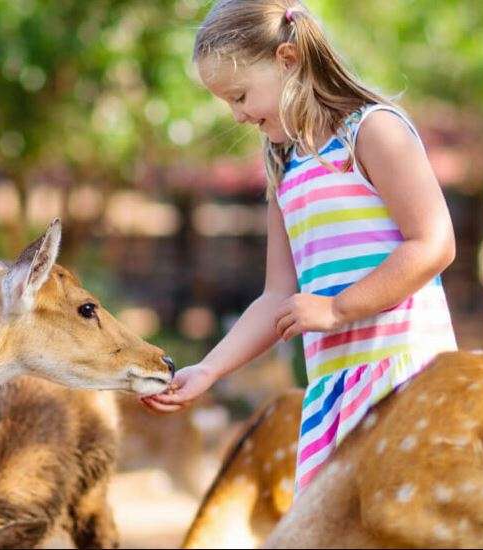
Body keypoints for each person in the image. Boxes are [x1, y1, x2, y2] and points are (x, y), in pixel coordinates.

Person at [142, 0, 458, 494]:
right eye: (227, 102)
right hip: (333, 391)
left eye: (241, 94)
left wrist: (338, 307)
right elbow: (277, 298)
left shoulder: (372, 131)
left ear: (288, 60)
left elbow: (434, 242)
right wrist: (209, 368)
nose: (237, 115)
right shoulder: (285, 170)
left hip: (404, 375)